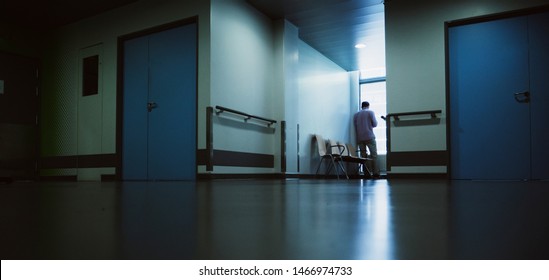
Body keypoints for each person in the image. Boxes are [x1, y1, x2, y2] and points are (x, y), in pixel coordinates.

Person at [353, 101, 380, 178]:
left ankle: (366, 173)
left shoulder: (356, 115)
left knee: (363, 156)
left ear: (361, 106)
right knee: (374, 155)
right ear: (368, 106)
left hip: (360, 138)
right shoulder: (370, 112)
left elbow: (355, 126)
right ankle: (375, 173)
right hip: (369, 137)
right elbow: (375, 124)